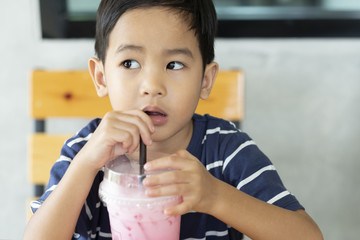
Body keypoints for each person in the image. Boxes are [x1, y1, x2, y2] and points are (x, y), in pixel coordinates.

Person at [23, 0, 323, 239]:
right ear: (101, 77)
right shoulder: (85, 151)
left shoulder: (227, 151)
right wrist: (85, 166)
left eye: (174, 64)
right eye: (130, 63)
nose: (152, 85)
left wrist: (215, 195)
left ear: (205, 80)